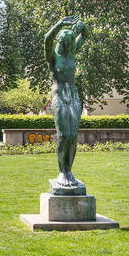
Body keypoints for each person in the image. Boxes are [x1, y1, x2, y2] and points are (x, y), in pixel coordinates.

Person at [44, 15, 90, 188]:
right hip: (59, 94)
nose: (71, 45)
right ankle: (61, 172)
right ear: (62, 41)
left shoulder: (71, 52)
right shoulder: (53, 57)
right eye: (68, 42)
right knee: (64, 135)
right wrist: (60, 23)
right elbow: (47, 39)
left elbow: (85, 34)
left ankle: (69, 171)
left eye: (72, 42)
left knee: (73, 136)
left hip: (74, 94)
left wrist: (81, 25)